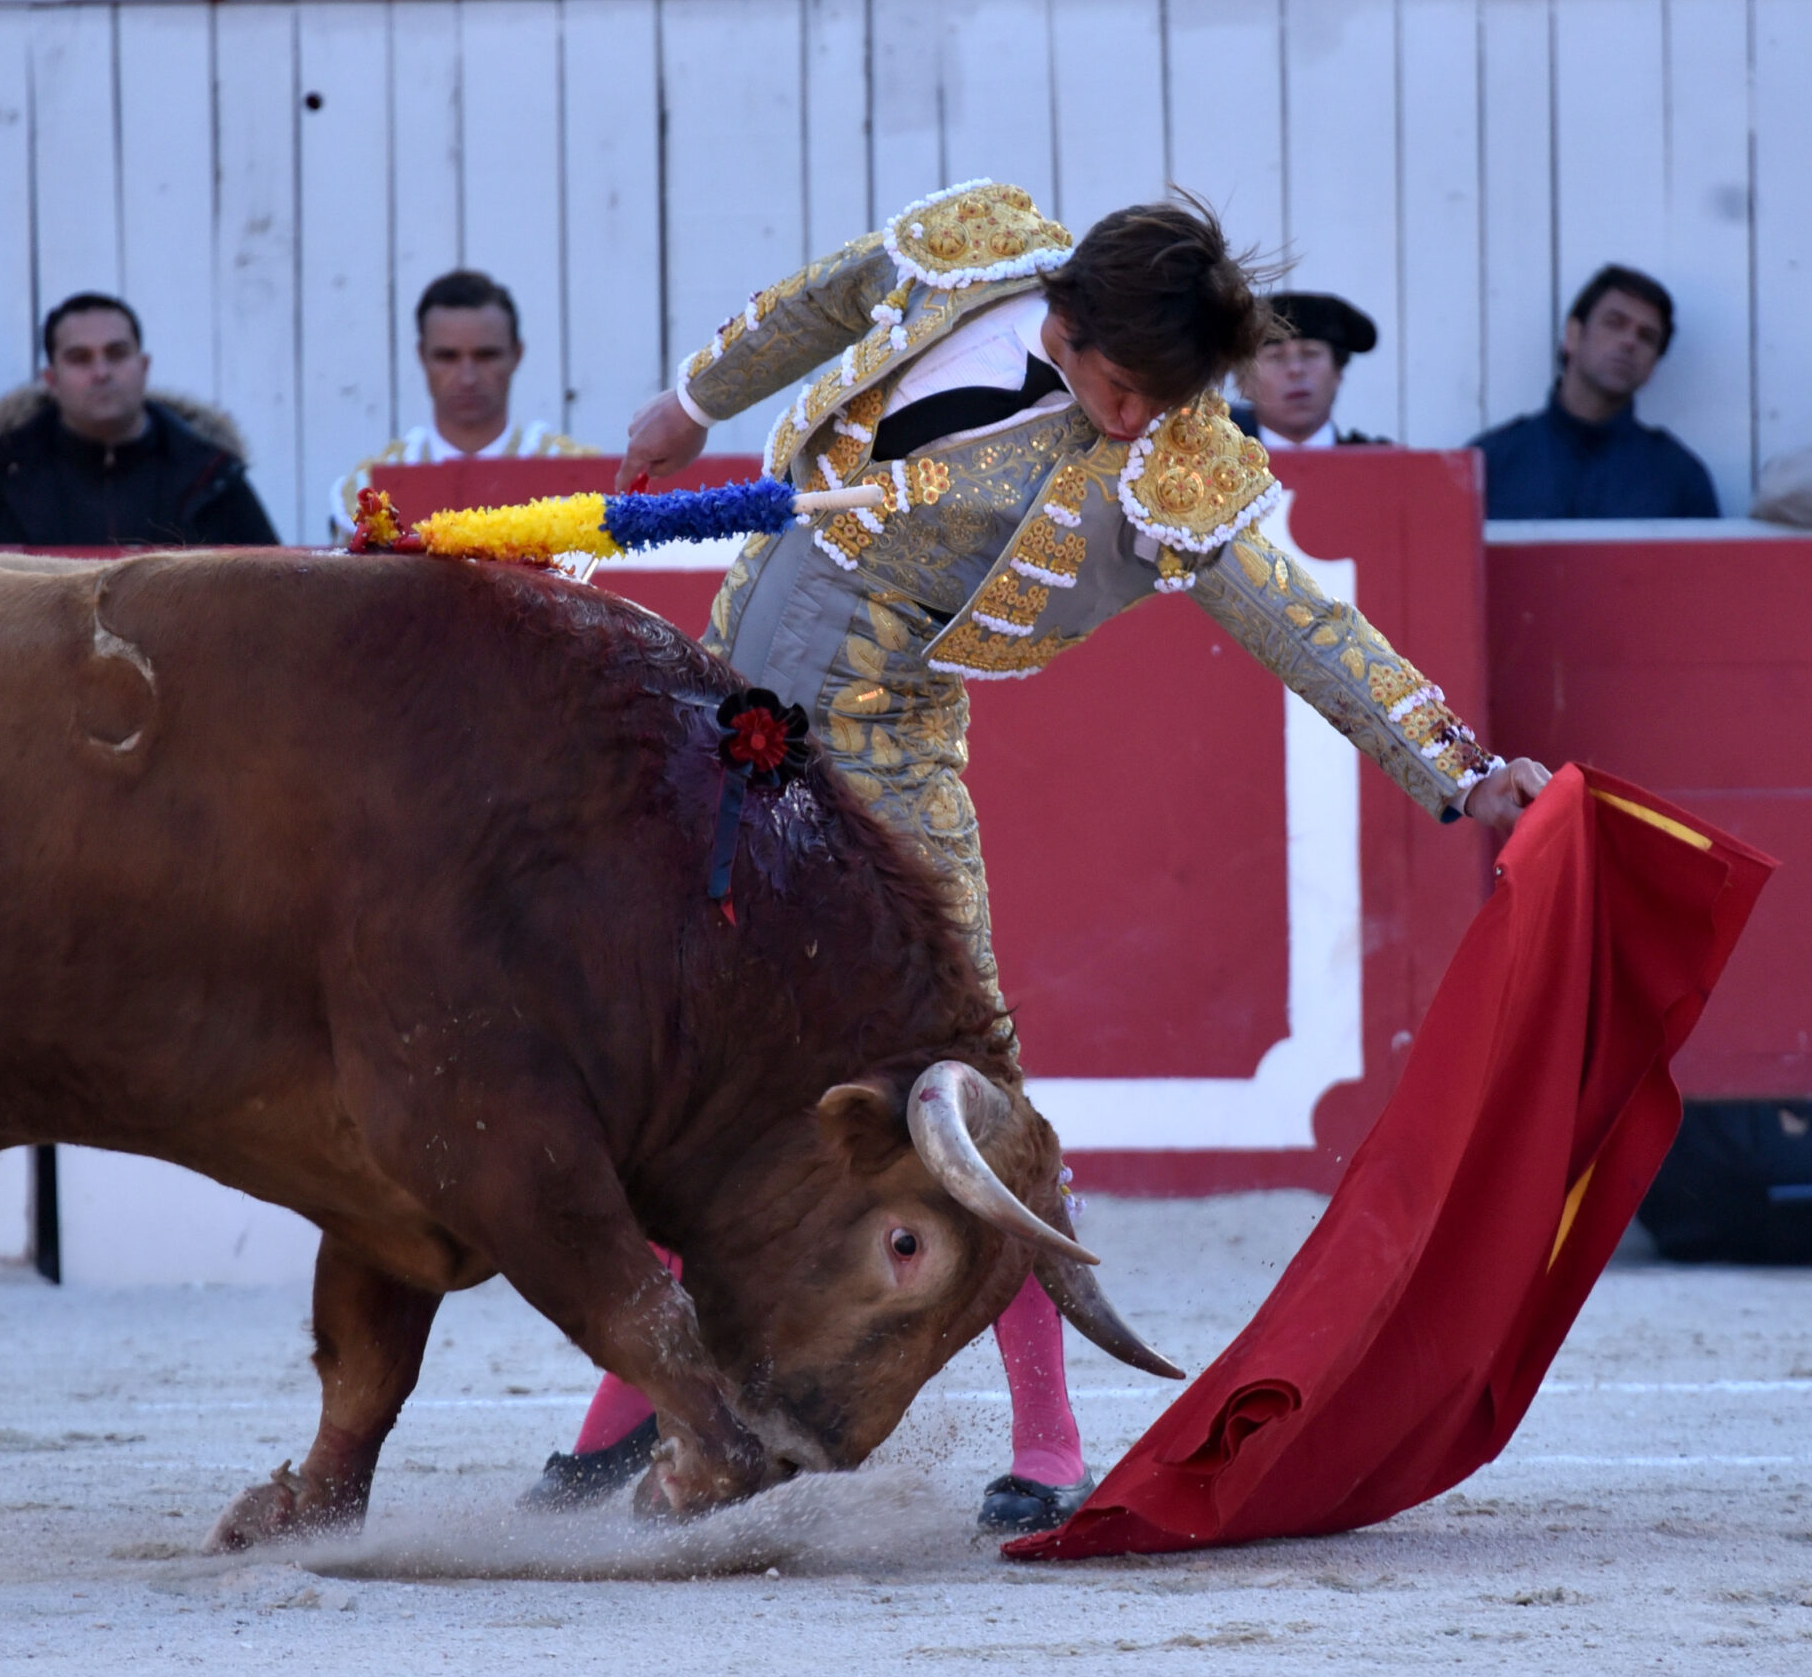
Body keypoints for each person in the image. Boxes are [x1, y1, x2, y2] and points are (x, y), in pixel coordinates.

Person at [533, 182, 1551, 1532]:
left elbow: (1306, 626)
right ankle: (642, 1401)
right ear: (1062, 316)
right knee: (694, 1058)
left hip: (882, 757)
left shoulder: (1166, 461)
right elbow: (829, 294)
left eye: (1162, 397)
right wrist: (694, 396)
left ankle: (1051, 1438)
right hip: (726, 717)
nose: (1135, 421)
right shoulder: (981, 256)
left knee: (966, 1088)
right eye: (1122, 384)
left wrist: (1463, 769)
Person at [0, 292, 277, 550]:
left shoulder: (212, 479)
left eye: (116, 354)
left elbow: (273, 596)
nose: (101, 373)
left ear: (143, 367)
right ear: (51, 379)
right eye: (80, 358)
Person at [329, 270, 595, 536]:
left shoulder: (581, 482)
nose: (468, 378)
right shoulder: (368, 491)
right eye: (447, 357)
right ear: (422, 357)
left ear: (517, 354)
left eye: (486, 355)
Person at [1471, 264, 1719, 521]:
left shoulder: (1679, 478)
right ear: (1574, 335)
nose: (1629, 342)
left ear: (1653, 366)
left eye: (1646, 337)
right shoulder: (1491, 463)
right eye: (1614, 323)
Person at [1232, 291, 1386, 449]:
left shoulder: (1383, 467)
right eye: (1276, 357)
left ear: (1338, 372)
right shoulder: (1214, 469)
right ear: (1243, 381)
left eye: (1310, 354)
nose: (1296, 369)